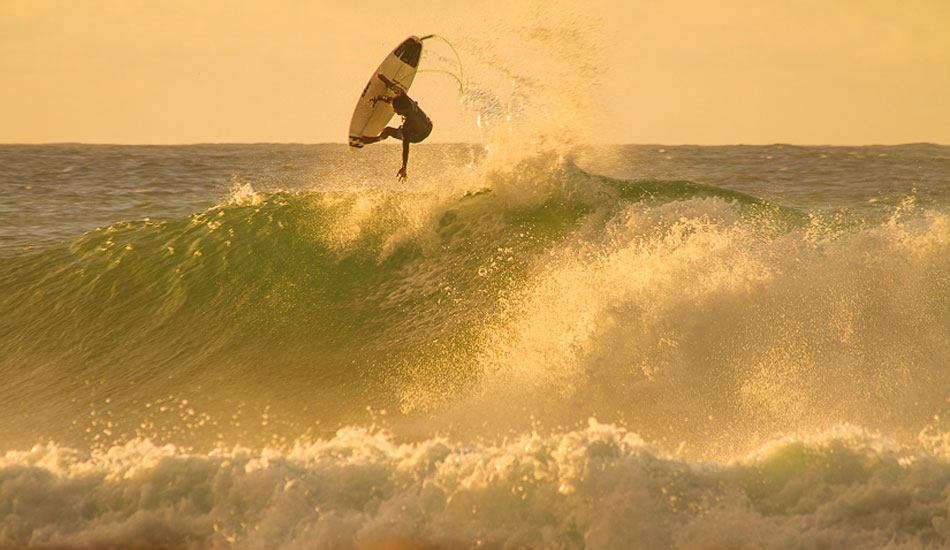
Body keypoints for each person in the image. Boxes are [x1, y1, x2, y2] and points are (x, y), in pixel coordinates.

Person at [360, 74, 433, 181]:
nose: (394, 111)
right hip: (428, 124)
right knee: (395, 97)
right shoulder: (404, 97)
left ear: (403, 110)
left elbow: (405, 147)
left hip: (419, 135)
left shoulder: (408, 126)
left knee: (387, 130)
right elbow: (395, 89)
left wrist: (404, 167)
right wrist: (385, 81)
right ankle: (380, 94)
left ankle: (377, 139)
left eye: (396, 110)